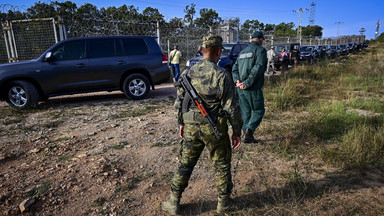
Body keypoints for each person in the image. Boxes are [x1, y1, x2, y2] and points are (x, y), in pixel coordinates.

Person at [161, 35, 242, 215]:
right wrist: (236, 130)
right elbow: (232, 107)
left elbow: (179, 102)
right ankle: (224, 204)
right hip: (215, 128)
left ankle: (173, 202)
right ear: (219, 52)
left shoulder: (187, 73)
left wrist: (181, 123)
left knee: (185, 163)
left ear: (202, 51)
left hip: (191, 126)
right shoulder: (222, 74)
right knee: (221, 164)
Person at [232, 31, 267, 143]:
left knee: (245, 112)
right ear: (260, 39)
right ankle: (249, 131)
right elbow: (258, 68)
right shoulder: (261, 51)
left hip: (240, 89)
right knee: (259, 110)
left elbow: (234, 69)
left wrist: (237, 82)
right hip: (252, 88)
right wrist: (246, 83)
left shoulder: (242, 52)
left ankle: (246, 135)